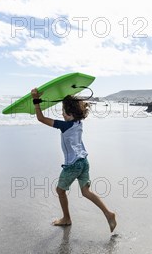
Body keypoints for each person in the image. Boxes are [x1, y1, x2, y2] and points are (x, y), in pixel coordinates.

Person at [31, 88, 117, 233]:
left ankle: (66, 218)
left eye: (63, 111)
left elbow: (41, 118)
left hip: (73, 165)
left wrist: (36, 101)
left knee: (60, 190)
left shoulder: (65, 125)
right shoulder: (78, 123)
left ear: (70, 114)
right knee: (86, 191)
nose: (61, 113)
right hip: (84, 161)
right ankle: (109, 213)